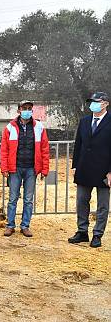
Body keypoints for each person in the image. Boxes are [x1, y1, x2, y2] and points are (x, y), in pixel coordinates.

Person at [0, 100, 50, 238]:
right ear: (19, 110)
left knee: (28, 199)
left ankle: (25, 225)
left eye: (29, 108)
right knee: (13, 198)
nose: (27, 110)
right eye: (24, 108)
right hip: (14, 168)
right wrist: (4, 168)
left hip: (31, 169)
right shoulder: (10, 127)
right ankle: (10, 225)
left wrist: (44, 169)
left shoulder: (39, 127)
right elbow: (4, 150)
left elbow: (45, 149)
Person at [69, 92, 111, 248]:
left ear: (105, 103)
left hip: (103, 170)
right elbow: (78, 144)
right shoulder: (85, 121)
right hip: (84, 168)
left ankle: (98, 234)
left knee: (102, 205)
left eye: (96, 101)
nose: (93, 104)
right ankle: (82, 231)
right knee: (81, 201)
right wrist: (75, 165)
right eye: (91, 101)